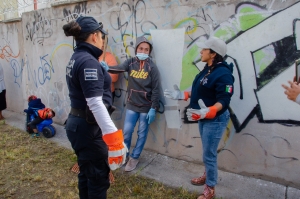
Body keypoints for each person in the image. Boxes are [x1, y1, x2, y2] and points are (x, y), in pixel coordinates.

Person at [62, 16, 127, 199]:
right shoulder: (88, 61)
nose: (102, 41)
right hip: (87, 127)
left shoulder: (78, 57)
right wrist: (114, 138)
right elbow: (95, 102)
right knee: (98, 178)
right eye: (102, 37)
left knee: (87, 173)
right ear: (94, 36)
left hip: (81, 124)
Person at [164, 37, 234, 199]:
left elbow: (224, 100)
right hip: (204, 117)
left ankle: (210, 188)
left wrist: (209, 111)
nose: (201, 51)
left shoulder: (223, 73)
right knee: (207, 152)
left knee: (208, 154)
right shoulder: (207, 69)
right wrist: (181, 94)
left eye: (204, 49)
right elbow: (199, 91)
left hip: (215, 119)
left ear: (213, 54)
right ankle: (208, 175)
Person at [102, 36, 161, 172]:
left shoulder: (152, 68)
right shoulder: (130, 63)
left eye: (146, 49)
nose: (143, 51)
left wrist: (153, 108)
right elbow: (119, 68)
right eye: (141, 48)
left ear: (149, 52)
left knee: (142, 133)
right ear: (136, 49)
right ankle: (125, 155)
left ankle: (134, 157)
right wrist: (108, 68)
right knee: (127, 132)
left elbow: (156, 90)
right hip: (132, 105)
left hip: (146, 107)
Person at [99, 39, 119, 103]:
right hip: (93, 93)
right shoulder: (90, 56)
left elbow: (115, 77)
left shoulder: (110, 57)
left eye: (104, 43)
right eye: (100, 42)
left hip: (107, 93)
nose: (102, 44)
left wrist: (103, 73)